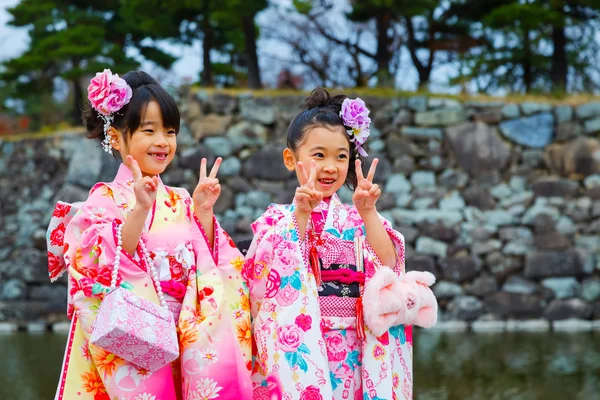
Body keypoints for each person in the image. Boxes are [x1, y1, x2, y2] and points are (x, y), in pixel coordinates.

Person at [47, 69, 252, 400]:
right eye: (149, 130)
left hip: (185, 335)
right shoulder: (104, 199)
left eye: (170, 132)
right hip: (135, 333)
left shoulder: (181, 198)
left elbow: (216, 265)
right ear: (116, 136)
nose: (163, 142)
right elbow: (101, 268)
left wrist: (203, 212)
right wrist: (140, 209)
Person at [245, 88, 437, 399]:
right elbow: (262, 275)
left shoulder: (357, 217)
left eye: (341, 156)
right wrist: (301, 215)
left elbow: (390, 264)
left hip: (357, 345)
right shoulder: (279, 217)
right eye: (319, 155)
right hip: (308, 340)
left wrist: (368, 212)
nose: (331, 166)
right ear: (290, 159)